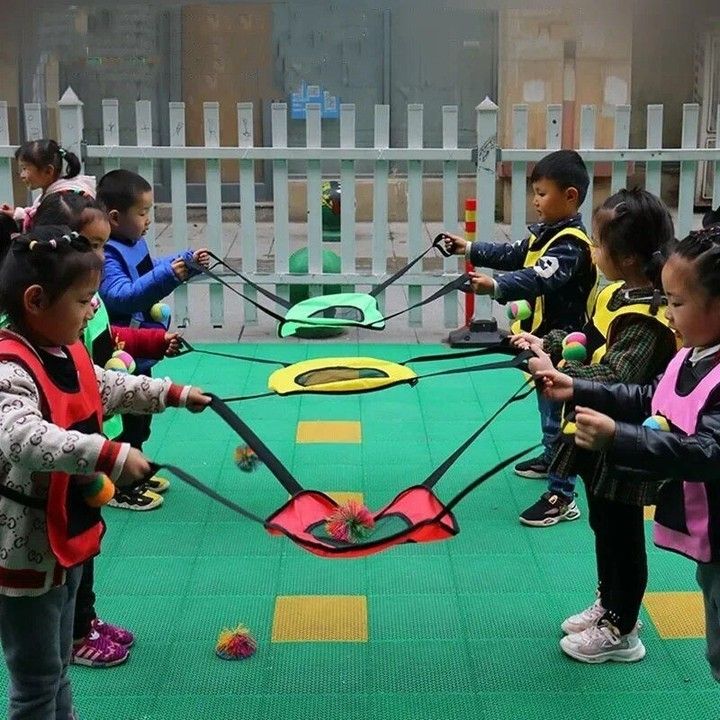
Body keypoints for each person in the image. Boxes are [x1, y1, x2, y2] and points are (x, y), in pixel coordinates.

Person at [0, 224, 209, 719]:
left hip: (67, 538)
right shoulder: (9, 369)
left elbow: (105, 385)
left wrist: (171, 394)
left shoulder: (65, 347)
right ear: (35, 301)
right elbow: (22, 438)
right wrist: (109, 454)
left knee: (58, 670)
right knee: (36, 683)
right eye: (82, 300)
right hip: (27, 554)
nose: (94, 309)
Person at [535, 224, 720, 675]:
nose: (668, 313)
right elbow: (649, 397)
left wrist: (618, 437)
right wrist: (576, 386)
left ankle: (621, 623)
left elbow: (707, 452)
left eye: (677, 303)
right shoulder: (693, 354)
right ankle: (613, 608)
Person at [32, 192, 185, 670]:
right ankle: (75, 633)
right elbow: (26, 432)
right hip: (57, 473)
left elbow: (105, 355)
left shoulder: (82, 305)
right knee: (66, 557)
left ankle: (85, 621)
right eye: (90, 245)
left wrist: (166, 374)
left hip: (88, 453)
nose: (100, 256)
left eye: (101, 245)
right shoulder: (30, 340)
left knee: (87, 544)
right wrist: (110, 456)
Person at [513, 189, 677, 529]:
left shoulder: (646, 318)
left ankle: (614, 578)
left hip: (623, 440)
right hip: (594, 424)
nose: (591, 248)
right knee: (602, 522)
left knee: (618, 530)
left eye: (598, 244)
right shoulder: (615, 292)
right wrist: (546, 343)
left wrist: (558, 369)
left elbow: (617, 375)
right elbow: (587, 336)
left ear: (627, 257)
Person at [443, 149, 597, 489]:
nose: (535, 200)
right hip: (542, 340)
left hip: (564, 345)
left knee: (558, 413)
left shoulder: (570, 245)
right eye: (535, 192)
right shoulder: (545, 234)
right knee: (546, 405)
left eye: (542, 193)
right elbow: (511, 253)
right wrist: (468, 248)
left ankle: (561, 489)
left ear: (570, 196)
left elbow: (539, 277)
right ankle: (550, 456)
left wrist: (497, 286)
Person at [97, 169, 209, 497]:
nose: (148, 220)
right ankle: (121, 485)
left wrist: (186, 261)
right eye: (143, 213)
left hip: (139, 348)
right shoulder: (108, 253)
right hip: (118, 351)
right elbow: (122, 295)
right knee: (124, 419)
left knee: (140, 416)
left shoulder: (134, 243)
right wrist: (168, 276)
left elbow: (150, 268)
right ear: (115, 218)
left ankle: (136, 470)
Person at [0, 139, 95, 231]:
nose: (22, 175)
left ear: (48, 171)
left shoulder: (61, 202)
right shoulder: (64, 191)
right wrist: (18, 214)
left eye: (25, 169)